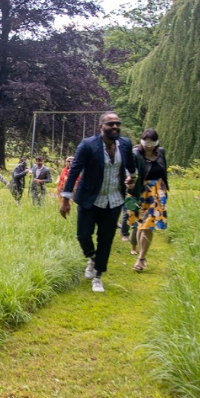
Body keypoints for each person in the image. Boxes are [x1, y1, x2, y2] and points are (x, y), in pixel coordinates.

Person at [59, 112, 135, 293]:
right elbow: (74, 171)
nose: (115, 127)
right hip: (89, 199)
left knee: (105, 239)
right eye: (110, 124)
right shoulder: (88, 145)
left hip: (114, 200)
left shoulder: (125, 144)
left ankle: (98, 276)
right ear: (101, 127)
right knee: (83, 235)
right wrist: (65, 199)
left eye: (118, 124)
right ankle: (93, 258)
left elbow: (132, 168)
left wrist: (132, 179)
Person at [128, 129, 169, 272]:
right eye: (146, 142)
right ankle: (142, 256)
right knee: (140, 225)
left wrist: (163, 190)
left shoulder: (161, 153)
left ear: (156, 142)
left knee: (148, 225)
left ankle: (140, 259)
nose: (149, 146)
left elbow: (164, 172)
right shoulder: (136, 154)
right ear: (142, 141)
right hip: (140, 191)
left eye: (152, 142)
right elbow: (130, 171)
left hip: (157, 192)